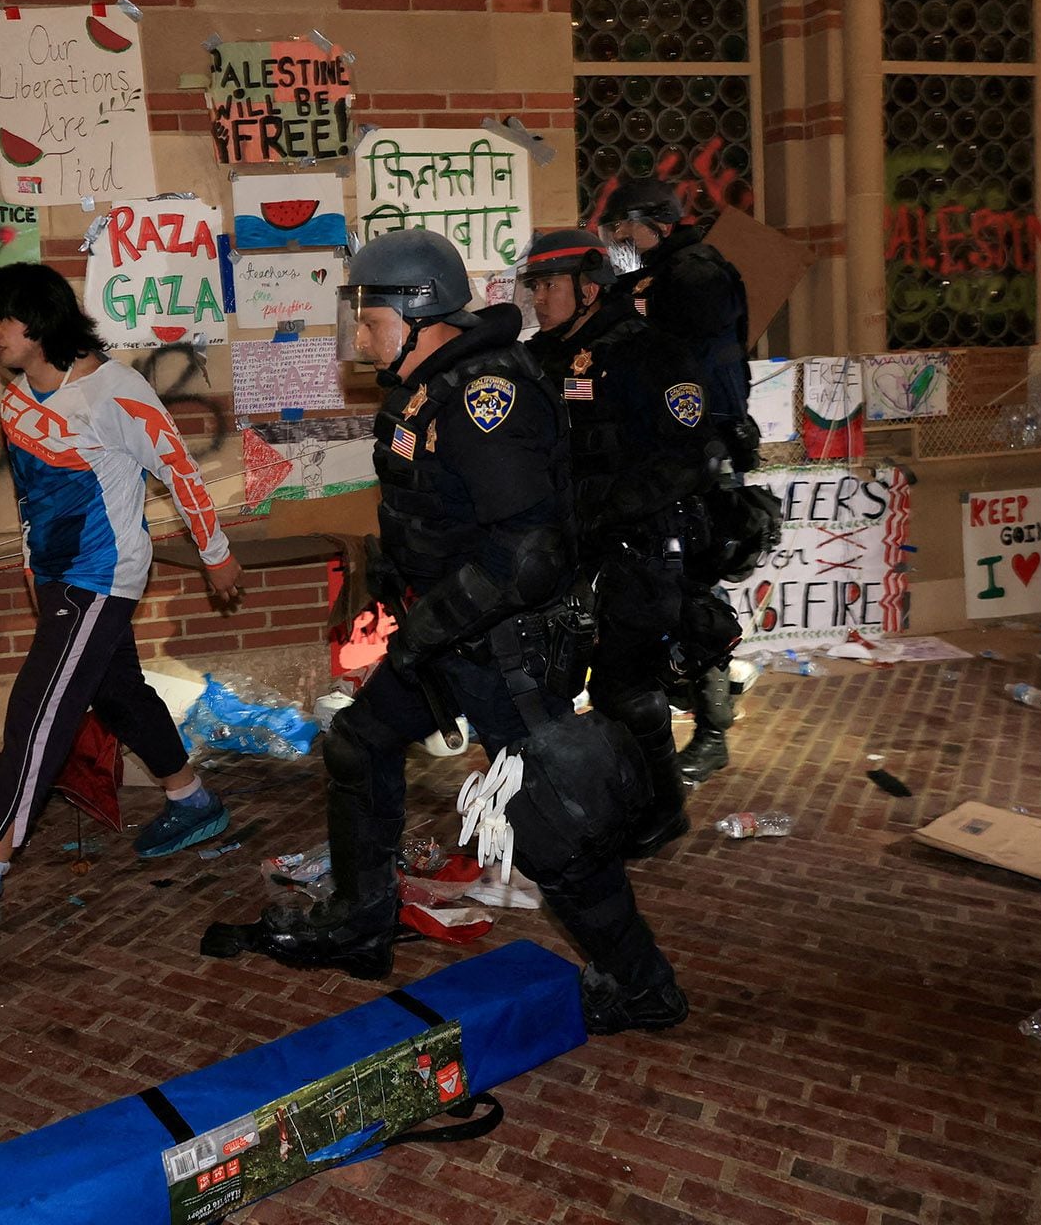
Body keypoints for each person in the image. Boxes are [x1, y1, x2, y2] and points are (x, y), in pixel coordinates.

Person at [203, 229, 687, 1035]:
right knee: (359, 742)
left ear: (417, 311)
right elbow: (435, 517)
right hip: (446, 636)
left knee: (553, 822)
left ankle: (642, 985)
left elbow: (528, 555)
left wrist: (432, 623)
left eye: (370, 316)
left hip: (504, 648)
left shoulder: (482, 395)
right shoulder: (423, 386)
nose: (359, 334)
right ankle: (360, 920)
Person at [0, 263, 243, 944]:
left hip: (105, 575)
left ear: (40, 319)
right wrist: (33, 571)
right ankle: (192, 800)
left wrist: (216, 556)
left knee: (38, 713)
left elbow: (178, 469)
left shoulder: (116, 393)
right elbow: (33, 501)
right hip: (58, 578)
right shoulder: (16, 404)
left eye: (0, 317)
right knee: (117, 692)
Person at [519, 230, 727, 857]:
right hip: (570, 550)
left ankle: (664, 809)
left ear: (588, 286)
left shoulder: (650, 353)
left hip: (639, 546)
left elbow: (686, 458)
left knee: (624, 686)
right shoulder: (543, 357)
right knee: (557, 682)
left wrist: (607, 511)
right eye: (533, 287)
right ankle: (607, 798)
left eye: (548, 286)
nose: (539, 300)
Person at [597, 180, 762, 784]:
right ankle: (693, 695)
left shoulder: (693, 274)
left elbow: (684, 358)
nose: (616, 241)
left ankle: (713, 728)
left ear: (654, 226)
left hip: (700, 455)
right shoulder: (660, 273)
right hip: (659, 456)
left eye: (622, 230)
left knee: (695, 586)